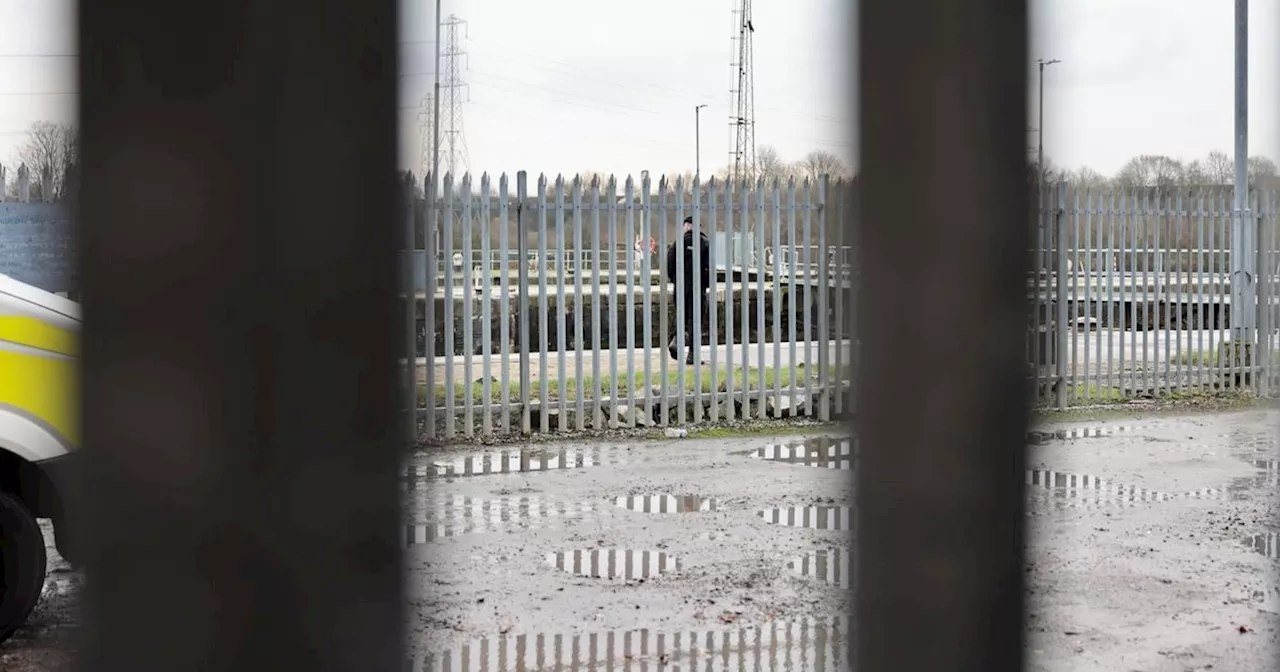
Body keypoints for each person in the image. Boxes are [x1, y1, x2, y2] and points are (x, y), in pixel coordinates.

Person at [666, 215, 712, 365]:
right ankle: (692, 355)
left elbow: (670, 265)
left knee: (681, 316)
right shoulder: (704, 243)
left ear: (687, 226)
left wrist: (676, 281)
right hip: (697, 289)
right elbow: (709, 268)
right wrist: (705, 284)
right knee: (695, 320)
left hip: (681, 288)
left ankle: (676, 340)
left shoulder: (677, 243)